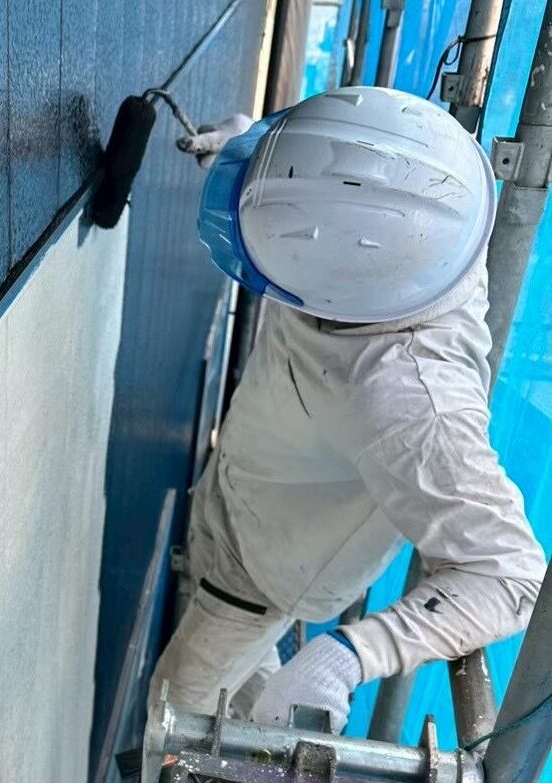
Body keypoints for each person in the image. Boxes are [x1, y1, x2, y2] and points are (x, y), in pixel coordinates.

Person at [148, 87, 546, 733]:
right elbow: (353, 172)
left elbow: (512, 576)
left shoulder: (412, 405)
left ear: (337, 279)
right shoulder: (424, 195)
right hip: (242, 488)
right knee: (227, 694)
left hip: (261, 574)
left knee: (172, 721)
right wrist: (263, 167)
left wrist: (349, 654)